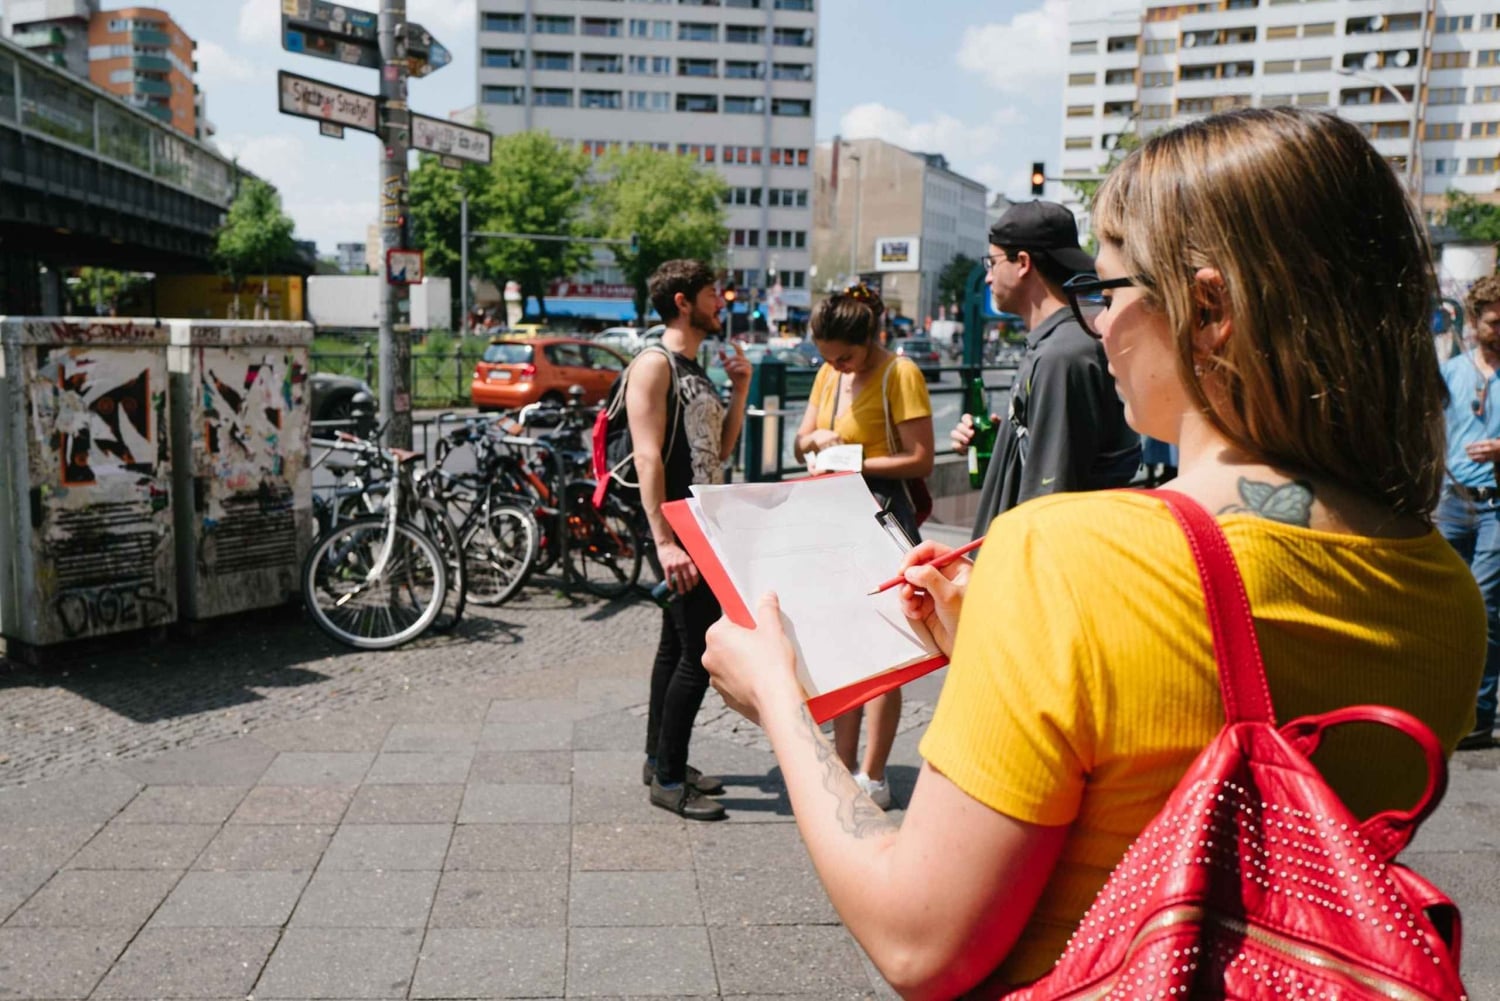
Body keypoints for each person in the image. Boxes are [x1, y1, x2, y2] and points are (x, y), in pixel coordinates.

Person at [701, 107, 1485, 997]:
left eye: (1107, 292)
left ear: (1210, 309)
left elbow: (917, 939)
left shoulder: (1070, 560)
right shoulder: (1445, 591)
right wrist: (996, 642)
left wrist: (778, 697)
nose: (1099, 324)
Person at [792, 284, 935, 809]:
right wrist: (816, 443)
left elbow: (921, 459)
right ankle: (842, 764)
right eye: (828, 358)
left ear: (871, 337)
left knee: (883, 649)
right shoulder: (830, 373)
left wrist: (855, 461)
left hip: (878, 514)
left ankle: (872, 775)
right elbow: (800, 439)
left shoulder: (900, 374)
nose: (839, 367)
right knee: (838, 647)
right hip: (833, 514)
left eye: (846, 356)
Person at [630, 259, 751, 821]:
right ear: (683, 301)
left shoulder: (693, 369)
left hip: (705, 525)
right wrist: (665, 540)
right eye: (711, 294)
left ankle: (660, 760)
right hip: (679, 530)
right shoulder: (654, 365)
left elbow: (717, 452)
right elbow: (648, 454)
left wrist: (742, 387)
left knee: (674, 648)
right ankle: (671, 780)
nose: (720, 303)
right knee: (697, 656)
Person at [951, 201, 1140, 538]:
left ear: (1023, 263)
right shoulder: (1058, 343)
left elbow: (1050, 496)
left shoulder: (1062, 355)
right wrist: (1004, 442)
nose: (989, 276)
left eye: (992, 262)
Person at [1437, 273, 1500, 750]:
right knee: (1446, 608)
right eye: (1493, 322)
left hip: (1496, 506)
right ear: (1476, 322)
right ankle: (1445, 709)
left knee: (1483, 607)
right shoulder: (1452, 372)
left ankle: (1478, 716)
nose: (1498, 330)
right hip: (1450, 500)